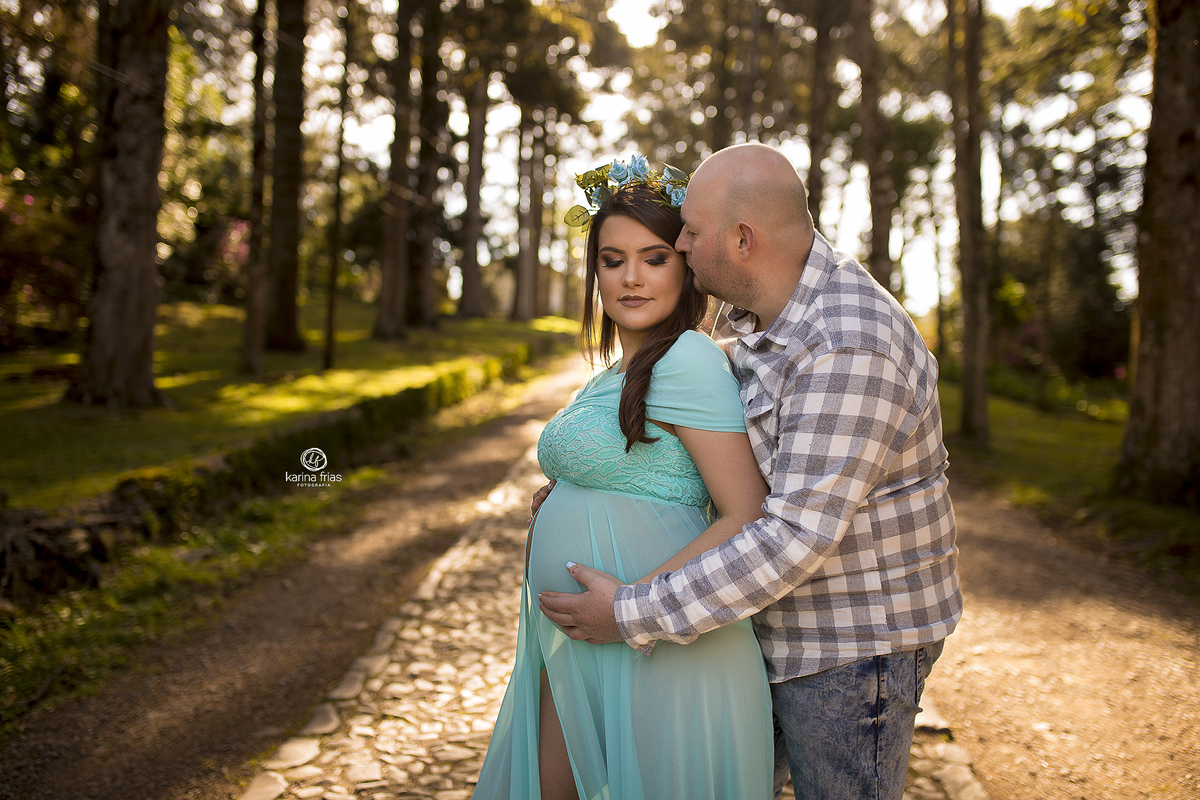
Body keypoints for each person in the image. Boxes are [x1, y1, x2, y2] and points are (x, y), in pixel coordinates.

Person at [539, 143, 963, 800]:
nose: (681, 245)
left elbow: (792, 535)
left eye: (690, 232)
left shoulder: (849, 342)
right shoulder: (754, 315)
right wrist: (594, 490)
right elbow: (711, 447)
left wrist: (629, 614)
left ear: (742, 240)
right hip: (755, 623)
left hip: (849, 647)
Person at [474, 157, 774, 800]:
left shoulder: (688, 358)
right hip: (586, 641)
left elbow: (746, 512)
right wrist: (574, 495)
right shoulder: (616, 371)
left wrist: (630, 606)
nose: (631, 278)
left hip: (655, 644)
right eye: (612, 261)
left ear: (686, 266)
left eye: (654, 258)